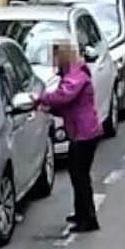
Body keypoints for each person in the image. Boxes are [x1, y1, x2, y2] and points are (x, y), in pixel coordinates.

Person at [35, 40, 102, 233]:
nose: (53, 61)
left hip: (84, 133)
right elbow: (67, 106)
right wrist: (49, 108)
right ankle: (82, 213)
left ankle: (88, 219)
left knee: (80, 176)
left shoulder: (75, 75)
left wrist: (42, 99)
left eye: (55, 56)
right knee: (78, 175)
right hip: (81, 131)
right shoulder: (73, 73)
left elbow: (64, 96)